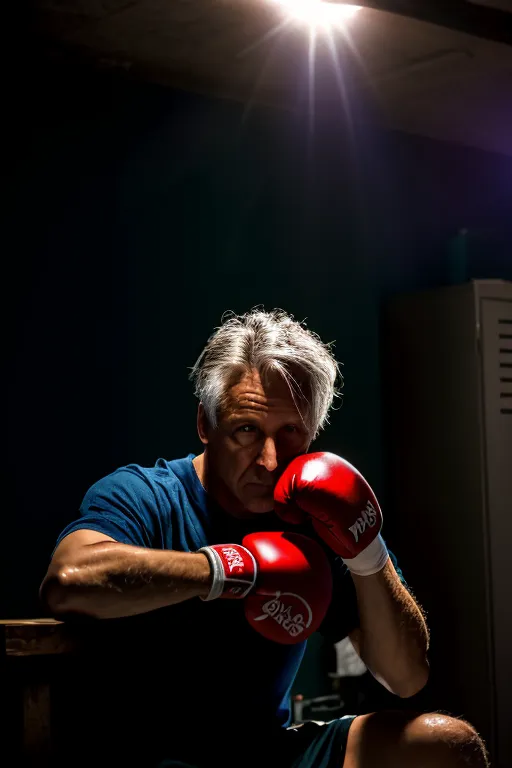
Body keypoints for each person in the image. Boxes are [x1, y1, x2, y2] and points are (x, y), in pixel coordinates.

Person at [40, 309, 489, 768]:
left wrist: (367, 550)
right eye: (247, 430)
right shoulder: (145, 496)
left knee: (448, 746)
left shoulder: (316, 519)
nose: (270, 461)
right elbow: (69, 580)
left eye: (290, 432)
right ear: (205, 425)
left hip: (262, 750)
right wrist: (231, 570)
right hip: (146, 752)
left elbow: (407, 677)